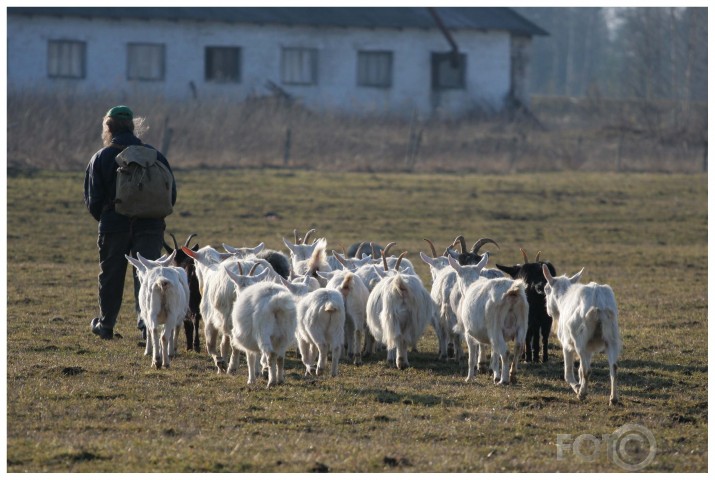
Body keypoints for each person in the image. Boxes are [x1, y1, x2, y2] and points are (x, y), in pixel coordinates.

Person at [84, 105, 177, 340]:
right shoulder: (156, 156)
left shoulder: (101, 157)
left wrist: (110, 217)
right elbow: (171, 194)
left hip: (114, 226)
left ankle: (106, 325)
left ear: (109, 127)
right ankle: (147, 326)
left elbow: (93, 200)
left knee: (111, 275)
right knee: (147, 277)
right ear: (133, 127)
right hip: (150, 226)